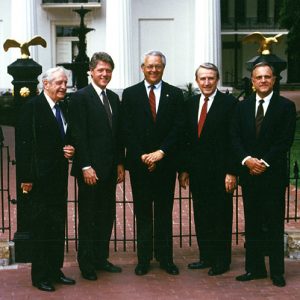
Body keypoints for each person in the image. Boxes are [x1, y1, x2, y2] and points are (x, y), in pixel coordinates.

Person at [231, 62, 296, 287]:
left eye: (267, 77)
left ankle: (277, 272)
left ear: (275, 79)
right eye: (258, 77)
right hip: (249, 175)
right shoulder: (242, 107)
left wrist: (264, 162)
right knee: (253, 224)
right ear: (252, 81)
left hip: (273, 176)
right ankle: (254, 269)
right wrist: (247, 160)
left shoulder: (286, 107)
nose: (263, 81)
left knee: (274, 224)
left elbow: (284, 140)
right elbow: (235, 138)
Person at [121, 50, 184, 276]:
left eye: (158, 66)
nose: (154, 70)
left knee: (165, 212)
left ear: (163, 68)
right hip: (140, 165)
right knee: (143, 212)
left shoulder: (175, 95)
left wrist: (161, 152)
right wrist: (142, 155)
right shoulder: (130, 94)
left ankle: (166, 258)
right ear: (142, 68)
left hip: (165, 164)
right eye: (150, 66)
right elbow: (126, 129)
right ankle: (144, 259)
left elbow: (178, 128)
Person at [16, 66, 76, 292]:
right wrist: (26, 178)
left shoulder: (63, 108)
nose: (63, 87)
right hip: (39, 179)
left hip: (57, 178)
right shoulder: (32, 107)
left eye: (65, 82)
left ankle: (54, 269)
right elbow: (24, 145)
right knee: (41, 227)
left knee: (56, 225)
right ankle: (40, 275)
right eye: (59, 83)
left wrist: (70, 149)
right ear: (46, 85)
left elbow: (65, 139)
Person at [69, 52, 125, 281]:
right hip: (90, 170)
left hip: (110, 168)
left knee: (106, 215)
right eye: (100, 70)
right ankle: (87, 262)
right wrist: (85, 166)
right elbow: (78, 134)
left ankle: (101, 258)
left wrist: (120, 162)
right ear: (91, 71)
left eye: (108, 70)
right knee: (89, 215)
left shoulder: (113, 97)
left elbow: (118, 134)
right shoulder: (80, 97)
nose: (104, 74)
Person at [179, 63, 237, 276]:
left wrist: (232, 171)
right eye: (202, 78)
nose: (206, 82)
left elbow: (234, 140)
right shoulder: (191, 104)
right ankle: (206, 257)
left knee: (220, 216)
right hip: (198, 172)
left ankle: (222, 261)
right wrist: (184, 169)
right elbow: (187, 139)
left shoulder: (229, 104)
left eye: (211, 78)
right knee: (201, 215)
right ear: (197, 81)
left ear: (217, 79)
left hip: (221, 173)